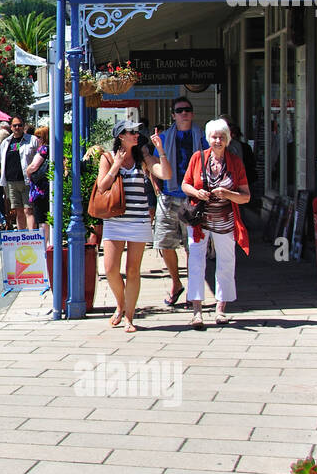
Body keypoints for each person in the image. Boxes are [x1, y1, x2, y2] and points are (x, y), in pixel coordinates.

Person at [95, 120, 170, 332]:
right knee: (109, 269)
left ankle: (129, 316)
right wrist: (116, 166)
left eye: (137, 132)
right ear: (121, 136)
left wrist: (161, 151)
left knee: (133, 270)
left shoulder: (142, 157)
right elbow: (102, 186)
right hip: (115, 220)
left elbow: (166, 174)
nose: (136, 135)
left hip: (138, 220)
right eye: (131, 132)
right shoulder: (108, 158)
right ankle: (121, 304)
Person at [182, 119, 251, 329]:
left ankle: (221, 309)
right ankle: (197, 311)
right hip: (199, 222)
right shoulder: (197, 158)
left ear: (228, 139)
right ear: (208, 138)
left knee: (226, 263)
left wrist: (228, 193)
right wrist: (197, 192)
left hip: (225, 220)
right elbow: (185, 184)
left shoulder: (235, 162)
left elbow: (246, 196)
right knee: (195, 263)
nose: (218, 141)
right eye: (214, 137)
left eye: (222, 137)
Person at [153, 97, 208, 307]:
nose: (184, 113)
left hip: (192, 198)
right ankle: (176, 283)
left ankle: (192, 290)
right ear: (173, 115)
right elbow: (155, 164)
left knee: (192, 246)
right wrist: (157, 187)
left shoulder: (201, 137)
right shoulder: (165, 137)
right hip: (169, 196)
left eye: (187, 110)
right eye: (180, 110)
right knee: (165, 243)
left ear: (192, 113)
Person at [0, 117, 34, 230]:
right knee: (18, 212)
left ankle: (32, 237)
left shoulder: (32, 140)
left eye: (19, 125)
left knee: (28, 210)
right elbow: (0, 162)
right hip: (11, 182)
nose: (17, 128)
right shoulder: (6, 142)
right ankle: (22, 236)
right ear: (11, 127)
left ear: (23, 126)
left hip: (27, 181)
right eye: (14, 126)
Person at [23, 126, 53, 244]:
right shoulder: (53, 149)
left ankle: (43, 244)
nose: (37, 139)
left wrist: (28, 172)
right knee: (46, 217)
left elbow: (34, 166)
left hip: (40, 190)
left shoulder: (44, 149)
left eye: (39, 137)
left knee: (42, 218)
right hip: (48, 188)